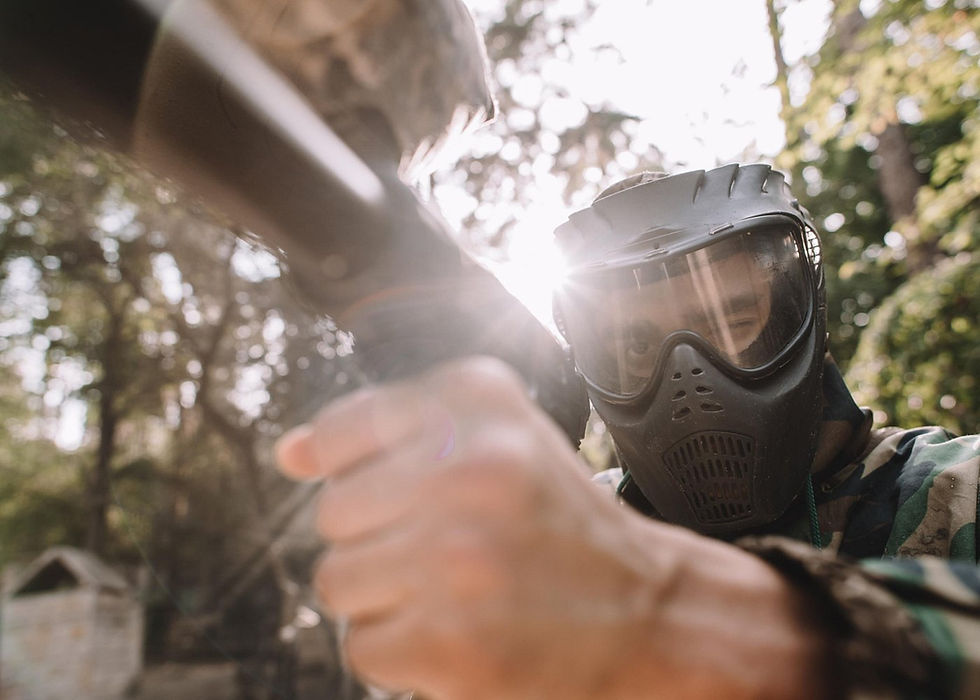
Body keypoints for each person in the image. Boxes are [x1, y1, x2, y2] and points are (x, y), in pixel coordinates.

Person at [275, 163, 980, 699]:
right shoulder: (558, 538)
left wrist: (667, 610)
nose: (690, 378)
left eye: (734, 319)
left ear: (805, 320)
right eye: (639, 345)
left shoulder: (952, 489)